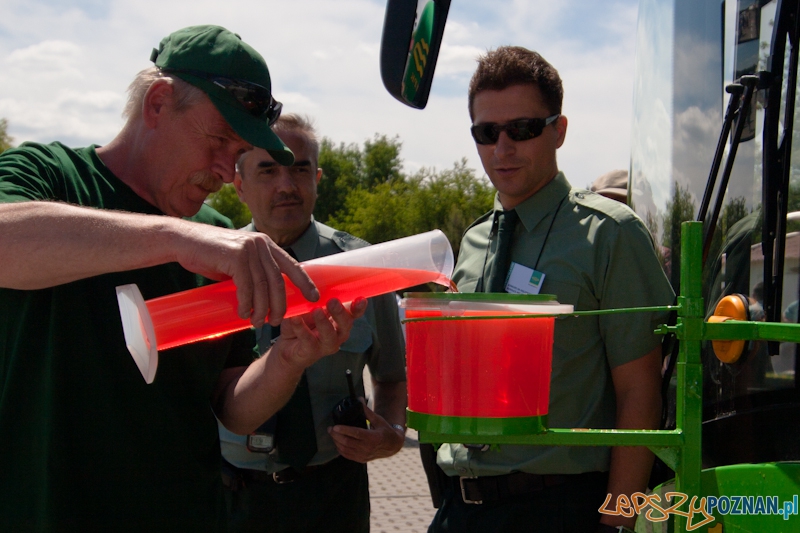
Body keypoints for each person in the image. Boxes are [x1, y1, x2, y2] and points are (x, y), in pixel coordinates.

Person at [0, 26, 366, 531]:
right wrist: (176, 238)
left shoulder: (217, 237)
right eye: (219, 140)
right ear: (158, 103)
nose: (226, 171)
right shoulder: (50, 175)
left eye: (238, 152)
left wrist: (287, 359)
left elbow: (231, 406)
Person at [426, 46, 675, 533]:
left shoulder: (608, 234)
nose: (502, 148)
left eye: (521, 129)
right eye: (486, 133)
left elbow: (640, 392)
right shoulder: (474, 241)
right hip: (461, 508)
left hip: (559, 508)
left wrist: (618, 520)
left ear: (558, 131)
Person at [219, 114, 408, 533]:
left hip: (336, 496)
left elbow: (392, 376)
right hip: (238, 498)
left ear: (317, 179)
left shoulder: (362, 269)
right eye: (268, 170)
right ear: (239, 186)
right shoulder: (213, 272)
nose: (286, 185)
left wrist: (392, 434)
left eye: (300, 169)